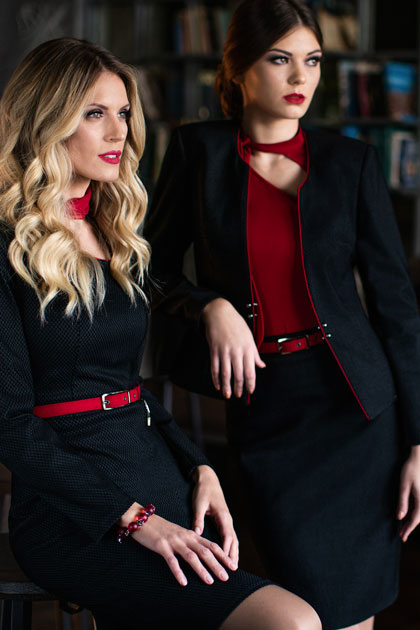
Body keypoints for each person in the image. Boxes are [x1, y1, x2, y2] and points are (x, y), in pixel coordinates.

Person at [0, 37, 322, 630]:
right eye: (94, 113)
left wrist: (199, 467)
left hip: (151, 470)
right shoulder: (8, 251)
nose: (118, 132)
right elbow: (10, 426)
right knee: (290, 620)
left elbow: (132, 388)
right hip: (70, 508)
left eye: (124, 113)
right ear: (47, 122)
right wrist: (134, 519)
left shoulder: (117, 235)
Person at [143, 1, 420, 629]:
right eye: (279, 59)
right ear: (239, 68)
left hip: (357, 413)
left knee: (353, 612)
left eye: (313, 60)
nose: (300, 77)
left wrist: (418, 441)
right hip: (265, 406)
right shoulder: (197, 152)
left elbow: (397, 309)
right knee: (293, 608)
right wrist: (210, 306)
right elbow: (148, 268)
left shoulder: (351, 163)